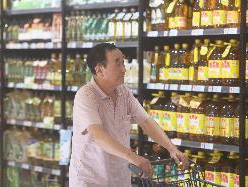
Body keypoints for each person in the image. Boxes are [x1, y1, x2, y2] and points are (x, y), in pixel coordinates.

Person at [69, 43, 188, 187]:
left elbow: (146, 121)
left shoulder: (123, 92)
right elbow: (97, 134)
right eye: (117, 64)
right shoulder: (86, 95)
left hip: (120, 178)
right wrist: (134, 157)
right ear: (99, 70)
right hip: (91, 180)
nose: (124, 69)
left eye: (123, 63)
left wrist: (172, 149)